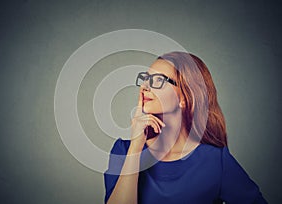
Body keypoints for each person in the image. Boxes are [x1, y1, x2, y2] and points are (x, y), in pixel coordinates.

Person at [104, 51, 267, 204]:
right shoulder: (124, 151)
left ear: (185, 97)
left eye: (158, 80)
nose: (145, 86)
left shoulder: (215, 161)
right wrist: (135, 146)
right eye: (145, 78)